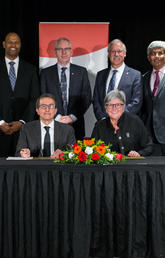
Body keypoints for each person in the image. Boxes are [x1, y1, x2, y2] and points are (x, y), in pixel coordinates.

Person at [40, 37, 92, 140]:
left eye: (67, 49)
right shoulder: (46, 73)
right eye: (60, 49)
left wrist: (72, 117)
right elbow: (42, 98)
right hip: (52, 124)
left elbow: (87, 98)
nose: (63, 52)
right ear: (55, 52)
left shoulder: (81, 72)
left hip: (76, 126)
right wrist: (57, 117)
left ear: (71, 52)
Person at [0, 32, 40, 157]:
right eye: (10, 42)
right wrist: (0, 122)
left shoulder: (31, 70)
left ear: (20, 45)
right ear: (4, 44)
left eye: (16, 42)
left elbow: (35, 98)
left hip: (24, 131)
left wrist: (22, 122)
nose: (13, 45)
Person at [91, 90, 153, 157]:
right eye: (110, 105)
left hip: (132, 165)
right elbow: (92, 150)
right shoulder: (99, 126)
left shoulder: (135, 121)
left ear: (123, 107)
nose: (114, 108)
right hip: (108, 166)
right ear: (105, 108)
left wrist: (139, 153)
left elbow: (149, 146)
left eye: (118, 105)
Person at [93, 39, 143, 121]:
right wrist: (102, 118)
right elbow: (96, 100)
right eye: (113, 51)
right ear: (108, 54)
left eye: (119, 51)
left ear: (125, 54)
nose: (116, 54)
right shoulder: (100, 75)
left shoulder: (135, 75)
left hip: (125, 123)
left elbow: (136, 102)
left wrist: (117, 118)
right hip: (103, 124)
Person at [15, 93, 76, 158]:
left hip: (58, 166)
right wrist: (23, 154)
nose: (47, 109)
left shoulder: (68, 130)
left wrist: (63, 155)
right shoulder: (26, 128)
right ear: (37, 110)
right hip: (35, 166)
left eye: (51, 106)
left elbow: (74, 153)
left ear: (55, 110)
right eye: (43, 106)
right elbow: (18, 153)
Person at [140, 40, 165, 155]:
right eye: (153, 53)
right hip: (149, 137)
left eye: (160, 53)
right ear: (148, 57)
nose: (157, 56)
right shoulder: (143, 78)